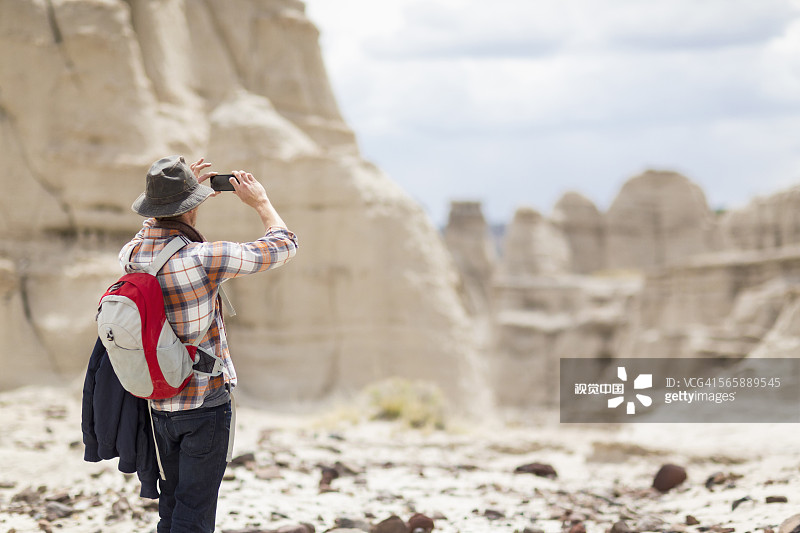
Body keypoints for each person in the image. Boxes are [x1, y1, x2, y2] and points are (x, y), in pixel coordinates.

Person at [121, 155, 298, 532]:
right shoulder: (204, 257)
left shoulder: (132, 255)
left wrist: (181, 199)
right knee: (196, 511)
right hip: (204, 400)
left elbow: (148, 230)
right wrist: (261, 203)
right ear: (190, 207)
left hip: (157, 400)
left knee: (171, 506)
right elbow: (283, 246)